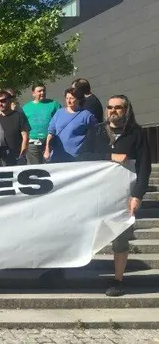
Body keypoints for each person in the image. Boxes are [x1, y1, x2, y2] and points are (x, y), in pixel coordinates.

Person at [79, 95, 150, 297]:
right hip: (98, 194)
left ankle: (118, 280)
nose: (113, 110)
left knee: (120, 238)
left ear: (126, 110)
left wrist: (138, 195)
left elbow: (144, 168)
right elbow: (83, 156)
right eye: (110, 107)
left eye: (118, 107)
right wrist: (110, 157)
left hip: (124, 196)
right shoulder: (97, 131)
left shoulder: (137, 133)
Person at [44, 87, 98, 163]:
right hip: (57, 156)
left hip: (76, 157)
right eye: (67, 98)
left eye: (72, 98)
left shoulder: (87, 115)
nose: (68, 101)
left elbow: (95, 134)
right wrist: (47, 149)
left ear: (79, 99)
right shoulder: (59, 113)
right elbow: (51, 133)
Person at [22, 83, 61, 165]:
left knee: (51, 166)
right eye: (39, 91)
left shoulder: (54, 104)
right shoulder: (26, 107)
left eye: (43, 90)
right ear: (33, 93)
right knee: (34, 167)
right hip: (33, 142)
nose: (42, 93)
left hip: (50, 141)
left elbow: (60, 120)